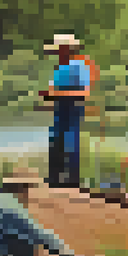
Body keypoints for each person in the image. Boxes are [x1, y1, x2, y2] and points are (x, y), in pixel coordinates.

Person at [40, 34, 93, 189]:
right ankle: (55, 177)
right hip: (60, 106)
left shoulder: (79, 66)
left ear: (66, 49)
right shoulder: (58, 68)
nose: (57, 53)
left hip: (73, 106)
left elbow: (84, 92)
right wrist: (49, 95)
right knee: (55, 139)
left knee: (71, 139)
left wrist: (58, 94)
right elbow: (53, 90)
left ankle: (72, 178)